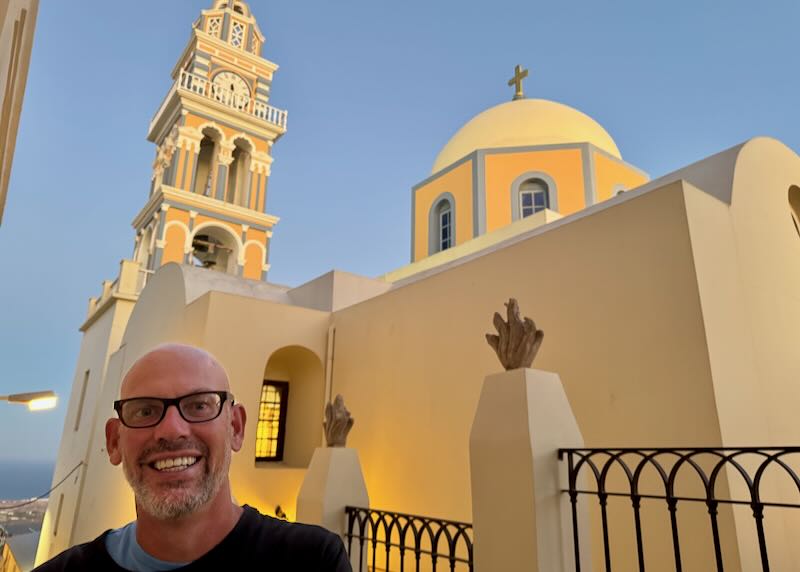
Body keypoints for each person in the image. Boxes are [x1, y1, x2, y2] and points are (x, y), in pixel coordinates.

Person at [35, 343, 352, 571]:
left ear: (236, 428)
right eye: (145, 410)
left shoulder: (312, 560)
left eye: (199, 405)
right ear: (114, 441)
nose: (171, 430)